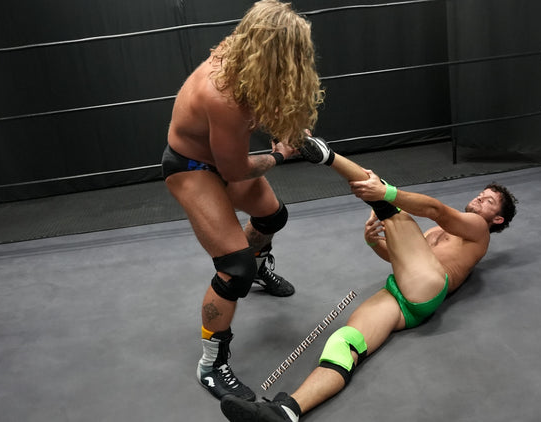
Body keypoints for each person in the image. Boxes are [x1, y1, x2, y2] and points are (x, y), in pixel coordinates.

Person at [220, 137, 518, 421]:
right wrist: (375, 243)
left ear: (498, 219)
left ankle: (327, 156)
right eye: (482, 193)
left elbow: (435, 209)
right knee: (344, 343)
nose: (481, 197)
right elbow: (402, 260)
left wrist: (386, 193)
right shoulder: (436, 235)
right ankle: (287, 411)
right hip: (404, 298)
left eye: (489, 201)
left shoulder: (479, 230)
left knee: (391, 208)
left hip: (430, 286)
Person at [161, 1, 324, 402]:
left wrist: (288, 126)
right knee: (235, 268)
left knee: (272, 216)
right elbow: (234, 171)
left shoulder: (247, 56)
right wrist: (281, 155)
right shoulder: (223, 94)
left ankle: (259, 267)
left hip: (222, 159)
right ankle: (211, 365)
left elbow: (264, 101)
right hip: (192, 167)